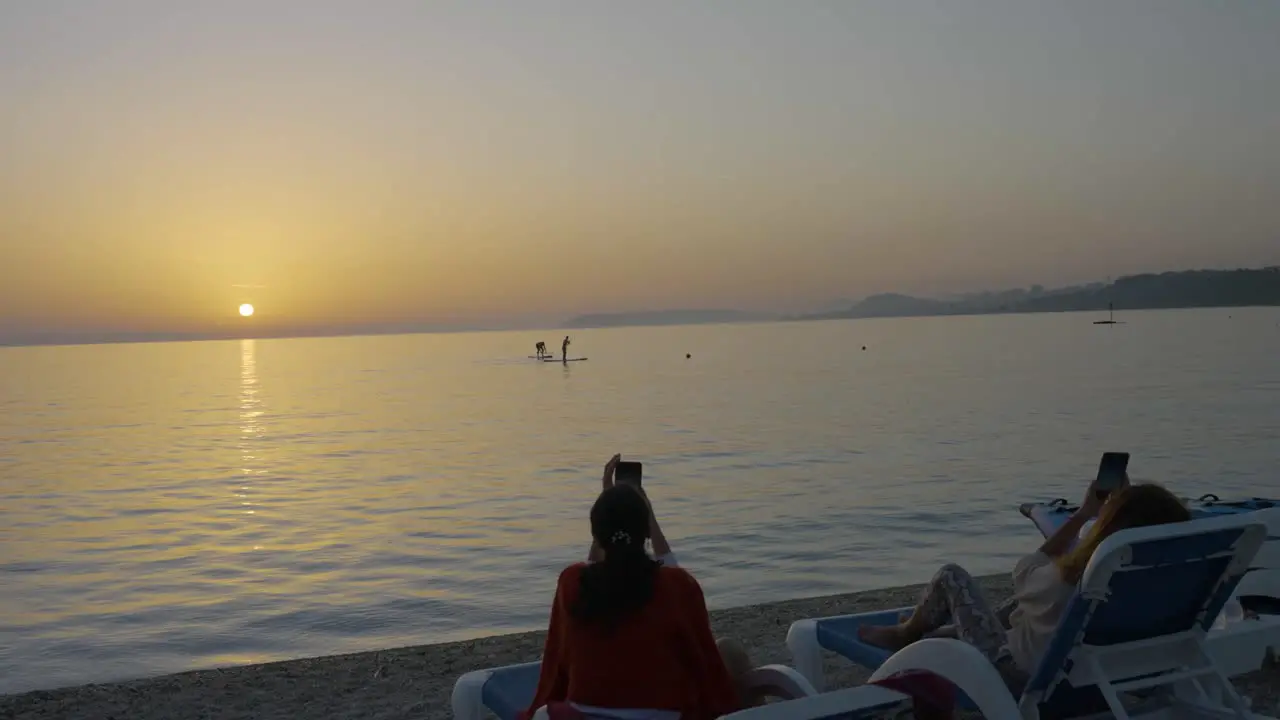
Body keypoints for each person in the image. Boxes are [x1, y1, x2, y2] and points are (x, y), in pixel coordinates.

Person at [858, 480, 1190, 691]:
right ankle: (931, 634)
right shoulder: (1167, 581)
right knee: (1022, 609)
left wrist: (1084, 513)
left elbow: (1027, 570)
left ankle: (908, 634)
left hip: (1022, 675)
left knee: (952, 577)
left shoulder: (1080, 581)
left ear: (1107, 528)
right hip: (1108, 673)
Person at [522, 455, 754, 720]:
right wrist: (647, 511)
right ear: (644, 532)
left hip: (586, 714)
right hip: (663, 715)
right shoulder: (676, 586)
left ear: (596, 534)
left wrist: (609, 504)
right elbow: (704, 662)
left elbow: (593, 567)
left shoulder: (572, 583)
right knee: (730, 653)